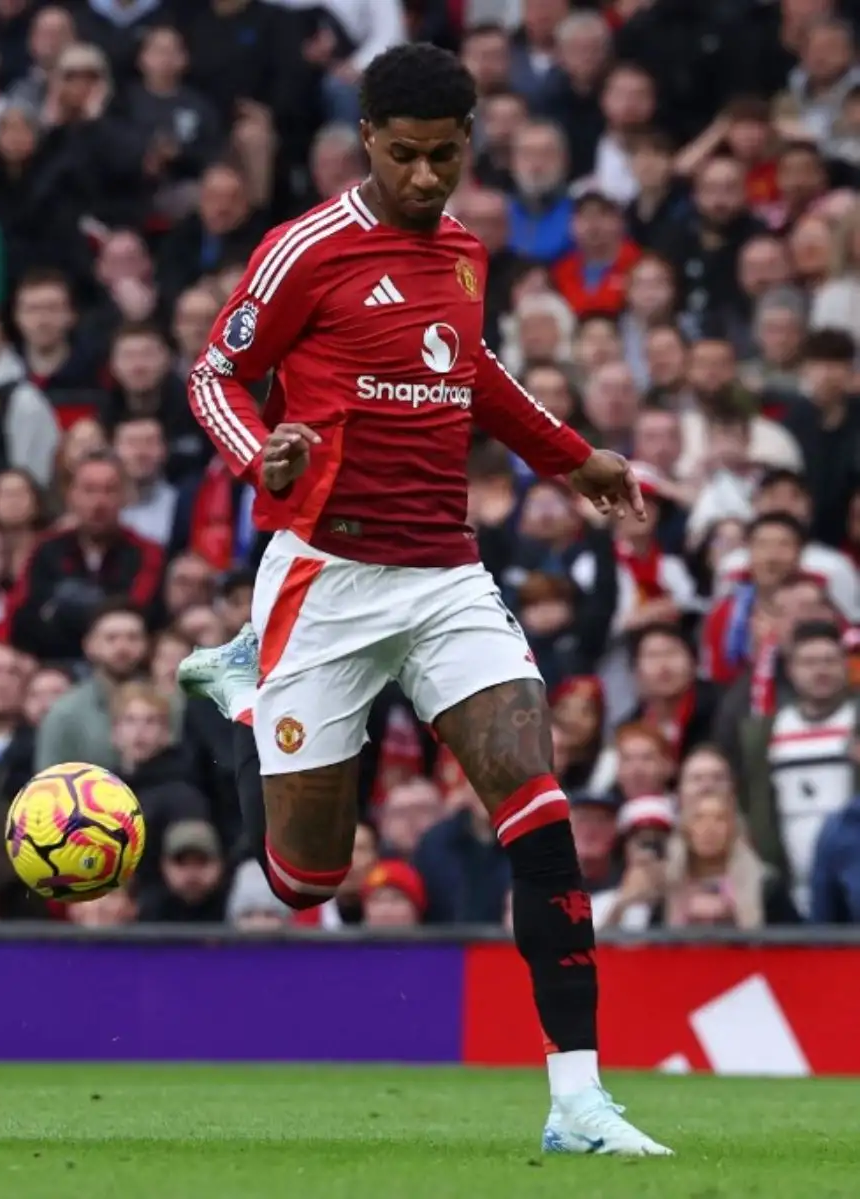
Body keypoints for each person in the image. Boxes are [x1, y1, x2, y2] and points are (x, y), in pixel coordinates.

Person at [174, 45, 668, 1156]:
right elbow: (212, 375)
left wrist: (572, 455)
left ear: (469, 144)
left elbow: (470, 366)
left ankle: (580, 1100)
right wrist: (267, 457)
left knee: (537, 804)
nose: (427, 177)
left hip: (445, 571)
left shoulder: (460, 251)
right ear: (368, 142)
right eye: (405, 156)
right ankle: (251, 701)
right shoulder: (304, 249)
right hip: (327, 577)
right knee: (306, 880)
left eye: (446, 156)